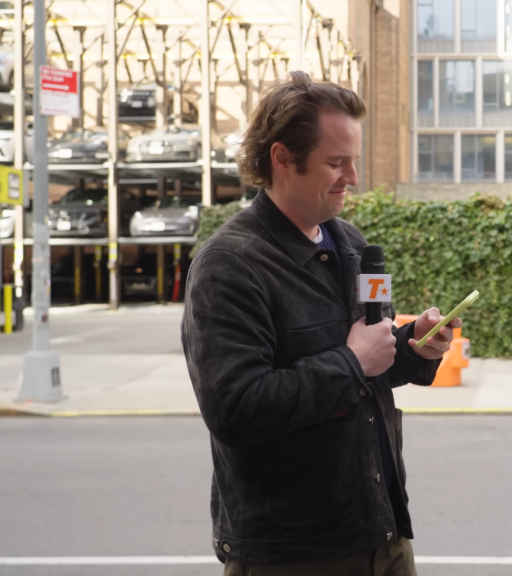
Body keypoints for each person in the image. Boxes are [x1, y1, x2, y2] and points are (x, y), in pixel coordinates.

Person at [181, 72, 459, 576]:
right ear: (283, 158)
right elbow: (235, 410)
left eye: (354, 161)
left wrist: (411, 348)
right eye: (336, 163)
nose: (352, 177)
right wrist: (352, 362)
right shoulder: (229, 265)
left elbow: (368, 358)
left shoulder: (348, 242)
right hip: (294, 554)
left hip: (383, 532)